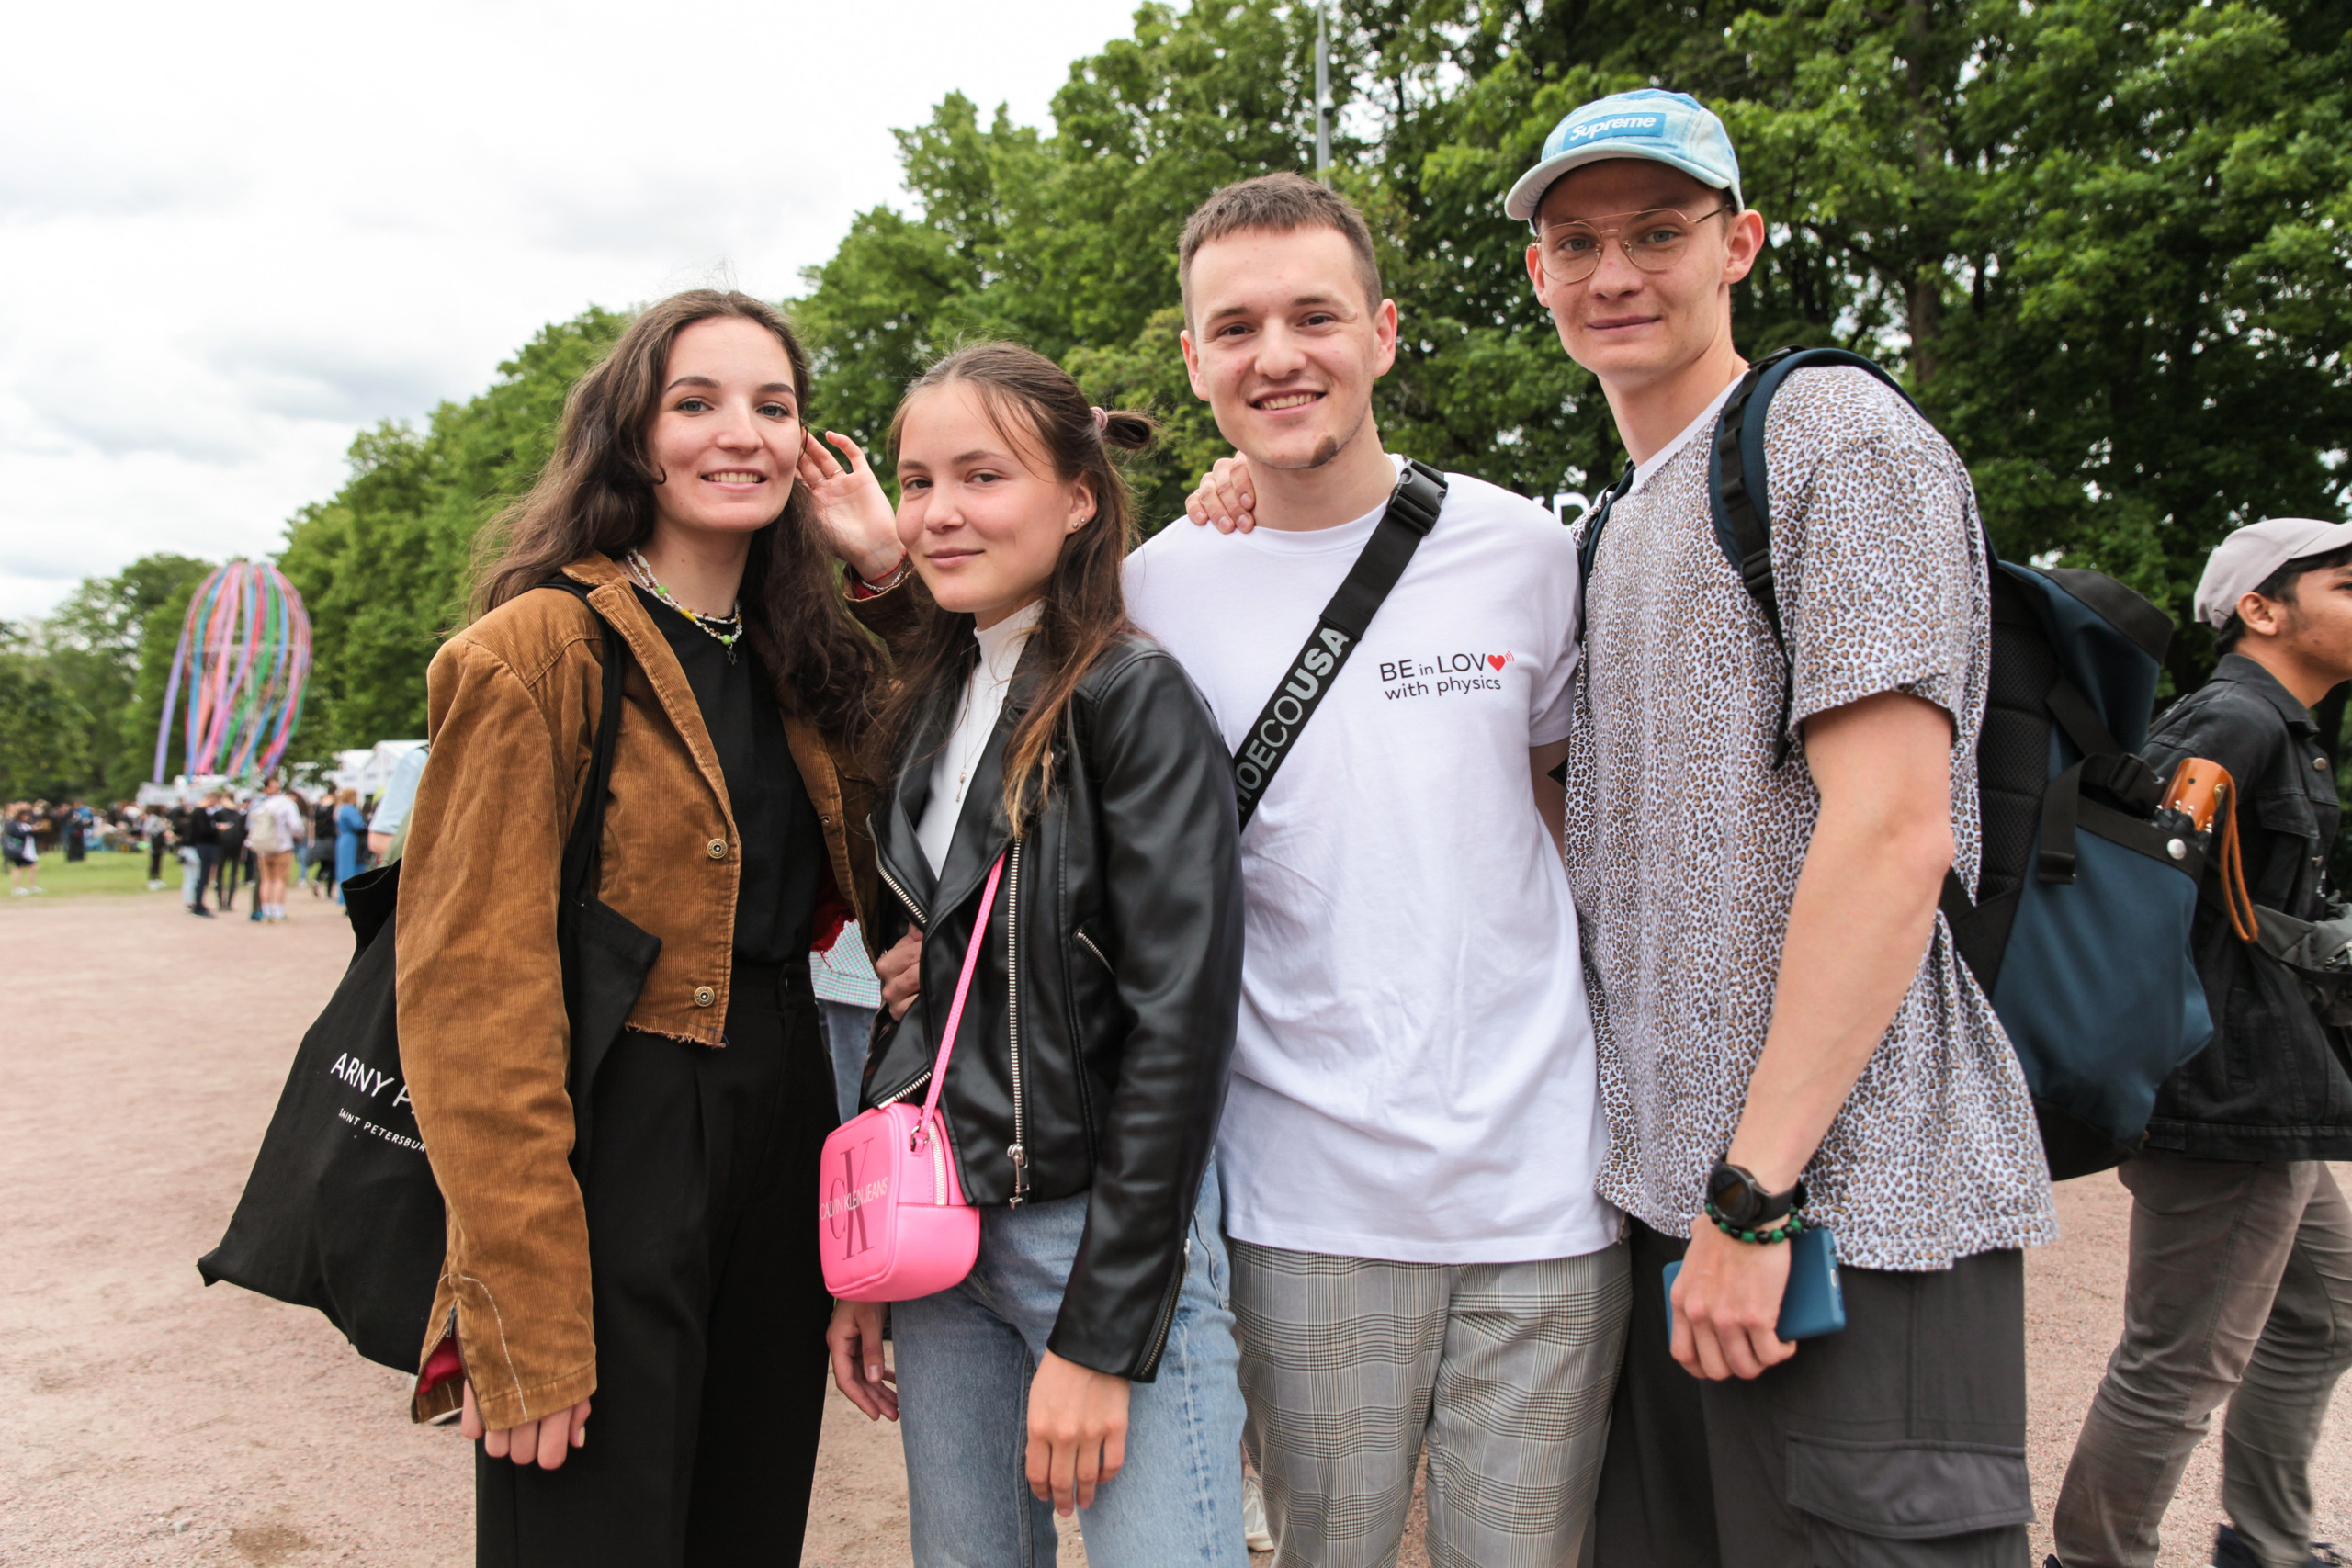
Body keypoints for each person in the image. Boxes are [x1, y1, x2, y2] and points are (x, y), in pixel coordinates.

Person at [1516, 90, 2049, 1567]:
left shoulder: (1832, 436)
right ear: (1540, 277)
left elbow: (1893, 830)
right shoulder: (1613, 525)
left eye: (1659, 231)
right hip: (1672, 1218)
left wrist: (1754, 1195)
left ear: (1740, 241)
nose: (1615, 271)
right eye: (1578, 242)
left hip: (1846, 1214)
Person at [1144, 174, 1627, 1567]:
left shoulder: (1525, 548)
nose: (1278, 354)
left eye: (1315, 314)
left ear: (1385, 332)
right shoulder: (1153, 587)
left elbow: (1550, 802)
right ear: (1193, 359)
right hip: (1307, 1198)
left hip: (1544, 1189)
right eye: (1235, 327)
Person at [393, 288, 914, 1568]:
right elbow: (472, 1000)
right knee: (592, 1534)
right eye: (698, 402)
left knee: (746, 1528)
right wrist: (516, 1306)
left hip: (783, 1106)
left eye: (773, 405)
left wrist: (889, 575)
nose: (739, 432)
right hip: (612, 1133)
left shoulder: (812, 656)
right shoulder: (535, 652)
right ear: (633, 434)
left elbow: (947, 767)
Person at [826, 342, 1248, 1568]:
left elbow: (1182, 1027)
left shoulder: (1132, 694)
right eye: (918, 479)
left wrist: (1105, 1331)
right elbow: (916, 985)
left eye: (982, 475)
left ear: (1076, 498)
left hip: (1098, 1233)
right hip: (942, 1234)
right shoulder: (932, 691)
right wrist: (867, 1246)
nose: (941, 511)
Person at [2051, 519, 2352, 1568]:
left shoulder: (2289, 725)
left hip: (2267, 1080)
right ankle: (2095, 1559)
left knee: (2325, 1308)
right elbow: (2133, 881)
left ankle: (2263, 1541)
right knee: (2179, 1359)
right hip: (2221, 1089)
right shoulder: (2233, 719)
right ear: (2262, 611)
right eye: (2348, 584)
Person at [244, 774, 306, 923]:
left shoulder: (260, 805)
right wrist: (297, 835)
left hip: (263, 847)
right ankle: (278, 912)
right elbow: (296, 826)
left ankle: (266, 911)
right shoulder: (286, 804)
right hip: (282, 845)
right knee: (279, 880)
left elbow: (249, 825)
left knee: (266, 880)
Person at [182, 790, 224, 917]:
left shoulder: (201, 812)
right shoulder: (200, 813)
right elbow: (203, 831)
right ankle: (198, 905)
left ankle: (197, 902)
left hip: (203, 846)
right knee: (201, 877)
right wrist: (216, 829)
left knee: (200, 877)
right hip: (204, 847)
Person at [331, 788, 366, 904]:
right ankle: (351, 898)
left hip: (342, 839)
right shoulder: (350, 809)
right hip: (351, 839)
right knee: (352, 868)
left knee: (343, 869)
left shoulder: (340, 808)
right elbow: (359, 824)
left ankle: (343, 897)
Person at [5, 805, 40, 896]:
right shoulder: (15, 824)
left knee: (33, 867)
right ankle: (17, 887)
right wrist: (30, 831)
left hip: (28, 850)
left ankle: (32, 886)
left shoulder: (26, 825)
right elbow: (17, 834)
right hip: (19, 849)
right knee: (18, 867)